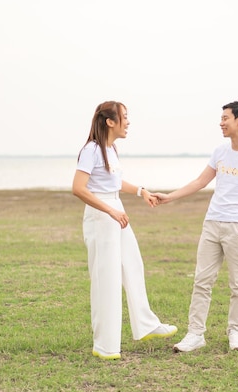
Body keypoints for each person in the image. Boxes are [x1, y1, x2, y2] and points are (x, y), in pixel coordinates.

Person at [153, 101, 238, 353]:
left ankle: (236, 333)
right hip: (212, 223)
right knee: (202, 281)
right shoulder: (220, 151)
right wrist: (170, 196)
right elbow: (201, 181)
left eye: (225, 118)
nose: (221, 123)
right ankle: (195, 334)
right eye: (221, 118)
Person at [72, 101, 177, 360]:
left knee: (133, 264)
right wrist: (109, 210)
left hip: (115, 210)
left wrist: (142, 191)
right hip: (101, 215)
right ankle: (105, 346)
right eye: (125, 117)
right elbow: (78, 188)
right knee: (106, 279)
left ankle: (147, 324)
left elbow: (115, 181)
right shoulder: (92, 150)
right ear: (110, 121)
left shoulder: (111, 149)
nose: (128, 122)